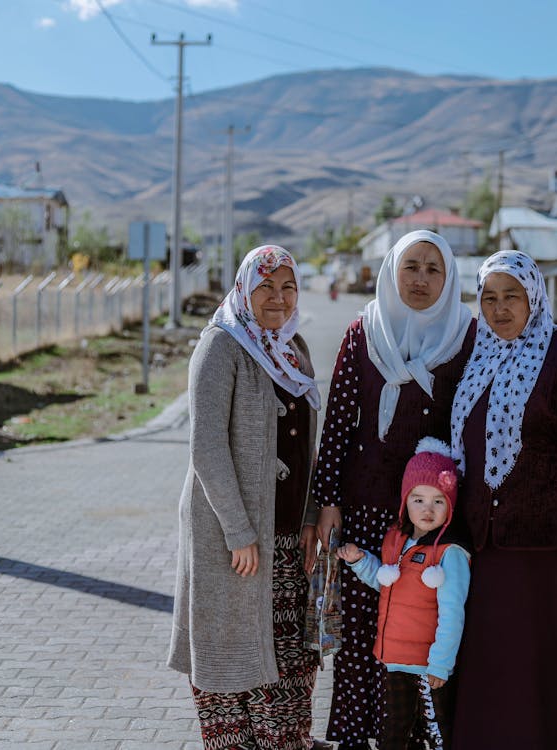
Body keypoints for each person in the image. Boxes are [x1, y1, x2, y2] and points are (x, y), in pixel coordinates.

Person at [311, 230, 475, 749]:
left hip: (432, 517)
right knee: (367, 630)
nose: (421, 279)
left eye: (433, 269)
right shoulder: (363, 333)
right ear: (391, 271)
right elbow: (337, 423)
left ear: (449, 279)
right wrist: (328, 501)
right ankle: (364, 735)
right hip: (366, 508)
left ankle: (423, 735)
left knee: (429, 624)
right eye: (411, 266)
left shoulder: (467, 337)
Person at [449, 250, 557, 749]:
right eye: (489, 297)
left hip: (555, 553)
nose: (500, 309)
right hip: (488, 550)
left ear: (534, 298)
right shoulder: (474, 359)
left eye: (512, 297)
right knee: (498, 670)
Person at [167, 245, 330, 750]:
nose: (278, 297)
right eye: (266, 286)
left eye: (288, 286)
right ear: (244, 289)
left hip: (285, 542)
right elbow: (207, 447)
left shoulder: (293, 348)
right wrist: (239, 532)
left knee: (287, 661)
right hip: (232, 540)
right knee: (233, 662)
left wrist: (308, 518)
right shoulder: (222, 346)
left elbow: (308, 444)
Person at [337, 438, 471, 750]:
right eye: (419, 499)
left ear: (450, 505)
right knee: (392, 735)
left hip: (430, 666)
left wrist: (440, 664)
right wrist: (360, 561)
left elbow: (453, 613)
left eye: (438, 501)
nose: (427, 509)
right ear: (405, 502)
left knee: (440, 735)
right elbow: (386, 584)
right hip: (395, 661)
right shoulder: (396, 542)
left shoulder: (449, 555)